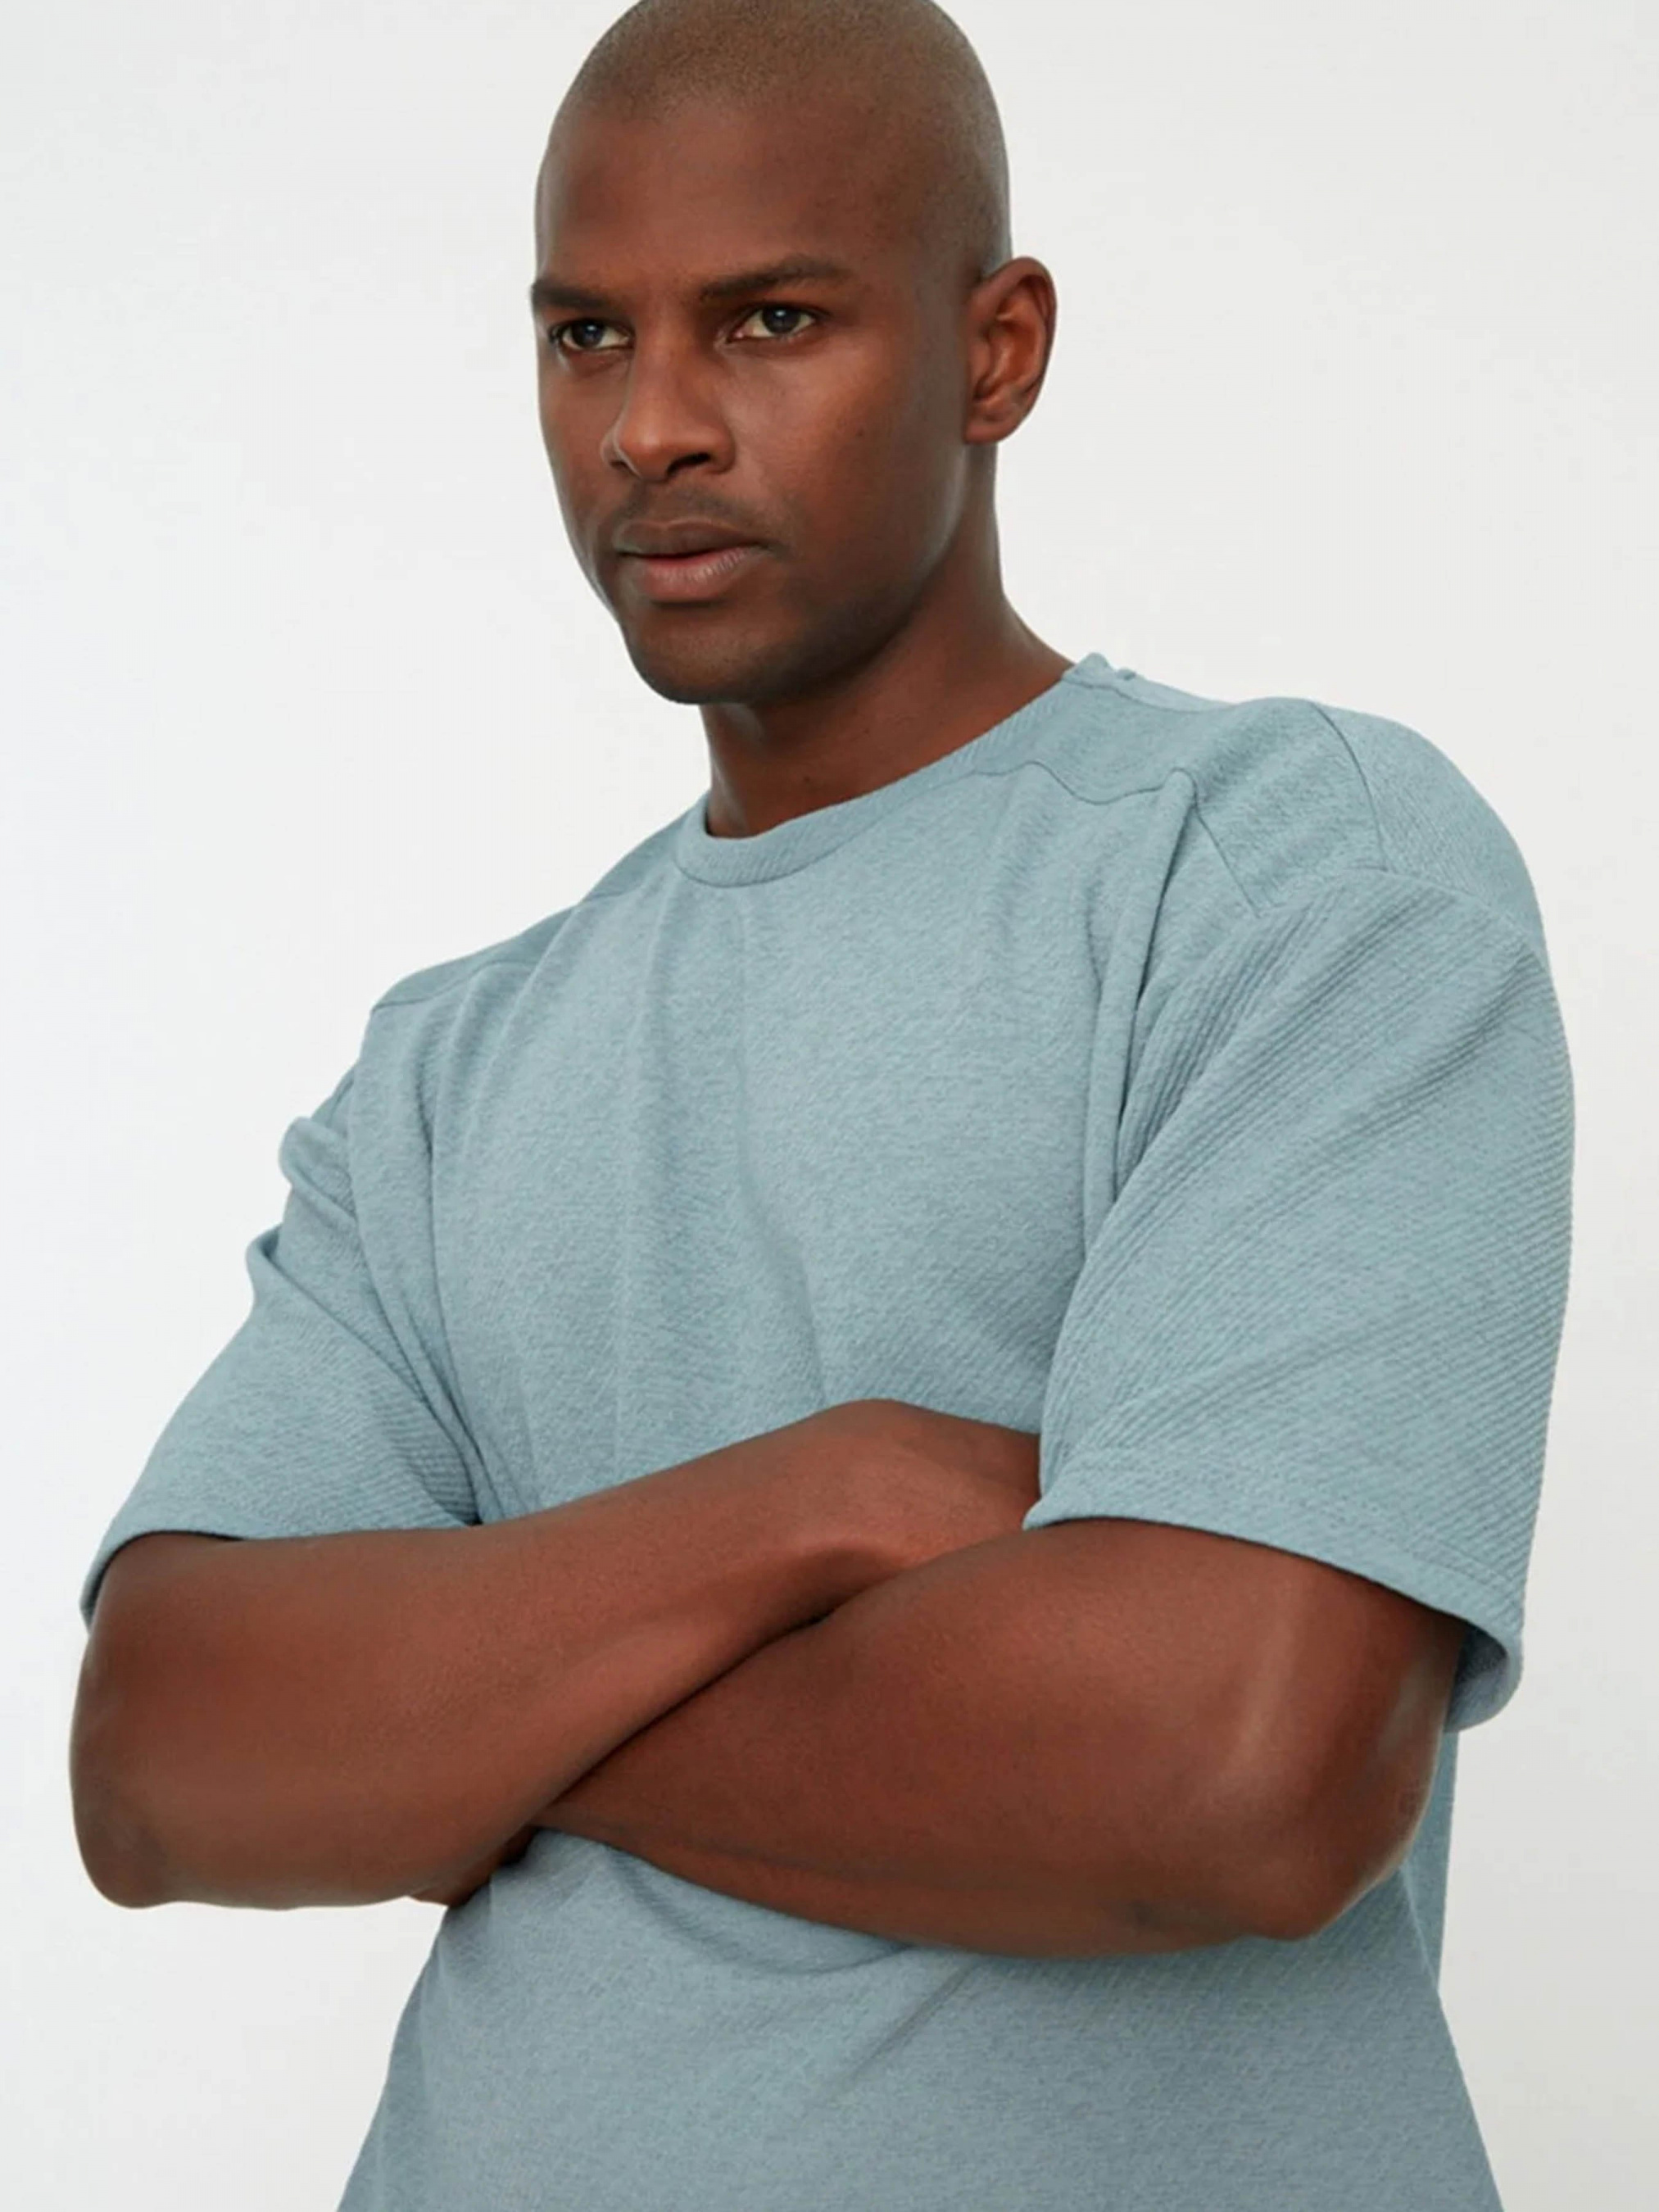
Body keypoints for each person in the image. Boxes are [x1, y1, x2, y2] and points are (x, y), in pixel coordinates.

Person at [68, 1, 1575, 2205]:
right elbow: (164, 1756)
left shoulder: (1280, 868)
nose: (651, 425)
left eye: (770, 320)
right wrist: (818, 1497)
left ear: (996, 351)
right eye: (586, 336)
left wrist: (466, 1716)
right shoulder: (449, 1069)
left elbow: (1239, 1767)